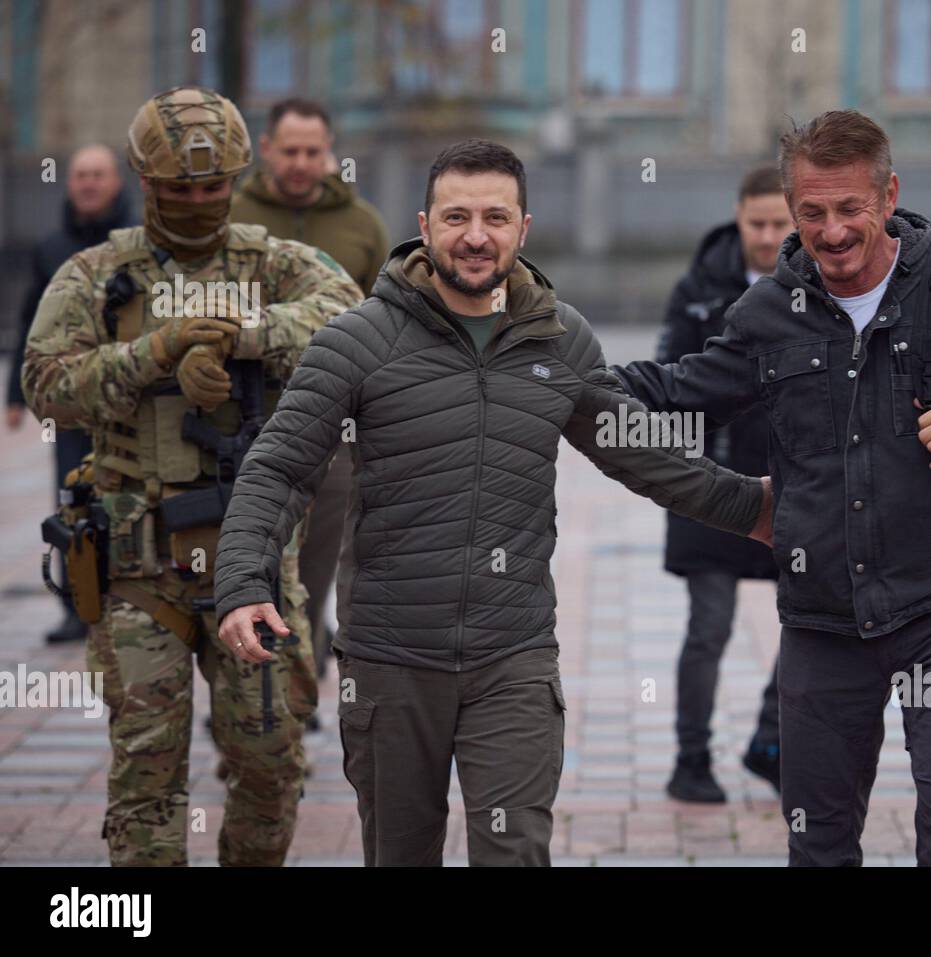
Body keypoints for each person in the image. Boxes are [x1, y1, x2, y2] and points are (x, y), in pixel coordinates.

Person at [214, 138, 773, 867]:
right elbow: (281, 466)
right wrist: (242, 582)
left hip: (514, 658)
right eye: (456, 217)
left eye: (495, 217)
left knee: (515, 852)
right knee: (401, 853)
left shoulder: (560, 339)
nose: (476, 236)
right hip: (391, 661)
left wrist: (759, 506)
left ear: (523, 228)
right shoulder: (357, 340)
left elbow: (648, 455)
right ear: (424, 223)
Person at [613, 109, 931, 866]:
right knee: (819, 844)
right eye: (812, 212)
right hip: (821, 625)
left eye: (850, 208)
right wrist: (557, 377)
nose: (833, 229)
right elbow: (680, 385)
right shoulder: (770, 311)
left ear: (888, 195)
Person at [21, 86, 363, 866]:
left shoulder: (272, 263)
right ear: (146, 183)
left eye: (214, 187)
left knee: (272, 762)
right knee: (147, 771)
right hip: (139, 568)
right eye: (181, 189)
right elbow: (44, 378)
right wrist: (158, 351)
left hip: (255, 566)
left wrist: (246, 335)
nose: (200, 202)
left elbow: (350, 322)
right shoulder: (98, 274)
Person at [229, 96, 390, 715]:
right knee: (248, 557)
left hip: (337, 431)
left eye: (313, 152)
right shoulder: (233, 217)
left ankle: (295, 693)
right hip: (241, 426)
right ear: (266, 150)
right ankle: (243, 694)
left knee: (315, 568)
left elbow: (387, 325)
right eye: (289, 151)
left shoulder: (364, 225)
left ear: (331, 154)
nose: (301, 163)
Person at [657, 165, 791, 802]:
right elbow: (665, 381)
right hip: (709, 485)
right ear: (738, 217)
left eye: (778, 223)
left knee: (816, 621)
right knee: (708, 628)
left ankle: (771, 742)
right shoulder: (697, 291)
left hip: (798, 485)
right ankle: (691, 761)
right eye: (756, 223)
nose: (767, 236)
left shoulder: (819, 284)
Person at [7, 144, 132, 644]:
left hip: (128, 401)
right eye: (81, 175)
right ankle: (75, 607)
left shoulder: (136, 244)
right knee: (70, 501)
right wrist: (15, 392)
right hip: (71, 404)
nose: (89, 184)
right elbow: (30, 324)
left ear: (117, 182)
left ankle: (130, 603)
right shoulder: (51, 247)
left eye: (98, 175)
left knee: (129, 501)